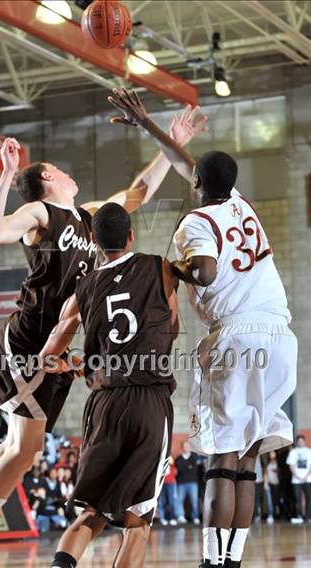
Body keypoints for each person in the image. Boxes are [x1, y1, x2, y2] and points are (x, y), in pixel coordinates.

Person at [0, 106, 202, 567]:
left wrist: (169, 143)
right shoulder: (40, 212)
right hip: (32, 339)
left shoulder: (87, 217)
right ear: (44, 181)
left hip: (57, 346)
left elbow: (137, 193)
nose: (63, 169)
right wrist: (5, 175)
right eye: (55, 168)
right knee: (24, 447)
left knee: (20, 447)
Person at [108, 88, 298, 568]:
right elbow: (192, 162)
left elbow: (208, 272)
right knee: (250, 458)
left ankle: (213, 561)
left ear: (196, 182)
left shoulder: (196, 220)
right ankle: (232, 559)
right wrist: (152, 128)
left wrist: (178, 270)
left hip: (236, 336)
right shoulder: (242, 206)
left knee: (221, 459)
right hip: (279, 333)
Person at [38, 203, 179, 568]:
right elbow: (174, 326)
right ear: (131, 235)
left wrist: (77, 363)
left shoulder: (82, 291)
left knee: (92, 514)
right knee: (137, 523)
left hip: (104, 404)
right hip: (149, 399)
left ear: (94, 241)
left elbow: (48, 358)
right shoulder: (157, 267)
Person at [286, 435, 311, 523]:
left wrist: (305, 476)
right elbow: (291, 466)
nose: (300, 442)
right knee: (297, 498)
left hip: (308, 479)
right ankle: (299, 516)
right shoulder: (293, 452)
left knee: (309, 498)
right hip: (296, 480)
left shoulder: (309, 451)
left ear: (304, 442)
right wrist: (298, 476)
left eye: (302, 441)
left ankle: (308, 517)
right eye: (299, 441)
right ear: (297, 442)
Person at [175, 441, 200, 524]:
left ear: (190, 447)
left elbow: (194, 469)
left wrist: (187, 467)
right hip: (181, 483)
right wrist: (189, 467)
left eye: (187, 446)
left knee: (194, 501)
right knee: (179, 500)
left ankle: (195, 517)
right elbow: (181, 470)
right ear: (182, 448)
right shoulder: (178, 459)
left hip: (193, 482)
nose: (186, 448)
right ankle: (180, 516)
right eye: (185, 446)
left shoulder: (194, 456)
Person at [158, 455, 178, 526]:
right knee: (162, 502)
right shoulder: (159, 462)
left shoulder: (171, 463)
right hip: (162, 484)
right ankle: (162, 518)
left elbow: (172, 464)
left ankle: (172, 518)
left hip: (170, 484)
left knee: (171, 502)